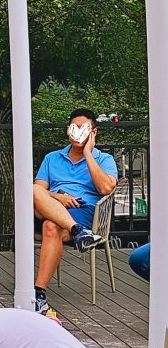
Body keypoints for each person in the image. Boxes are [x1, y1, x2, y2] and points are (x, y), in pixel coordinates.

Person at [32, 109, 115, 316]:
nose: (78, 133)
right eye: (74, 128)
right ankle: (78, 232)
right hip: (53, 205)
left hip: (84, 211)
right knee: (33, 189)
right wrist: (58, 197)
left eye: (84, 129)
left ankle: (39, 294)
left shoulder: (104, 159)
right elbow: (38, 190)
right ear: (68, 131)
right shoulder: (52, 158)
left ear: (93, 132)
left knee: (50, 226)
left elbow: (106, 189)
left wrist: (88, 154)